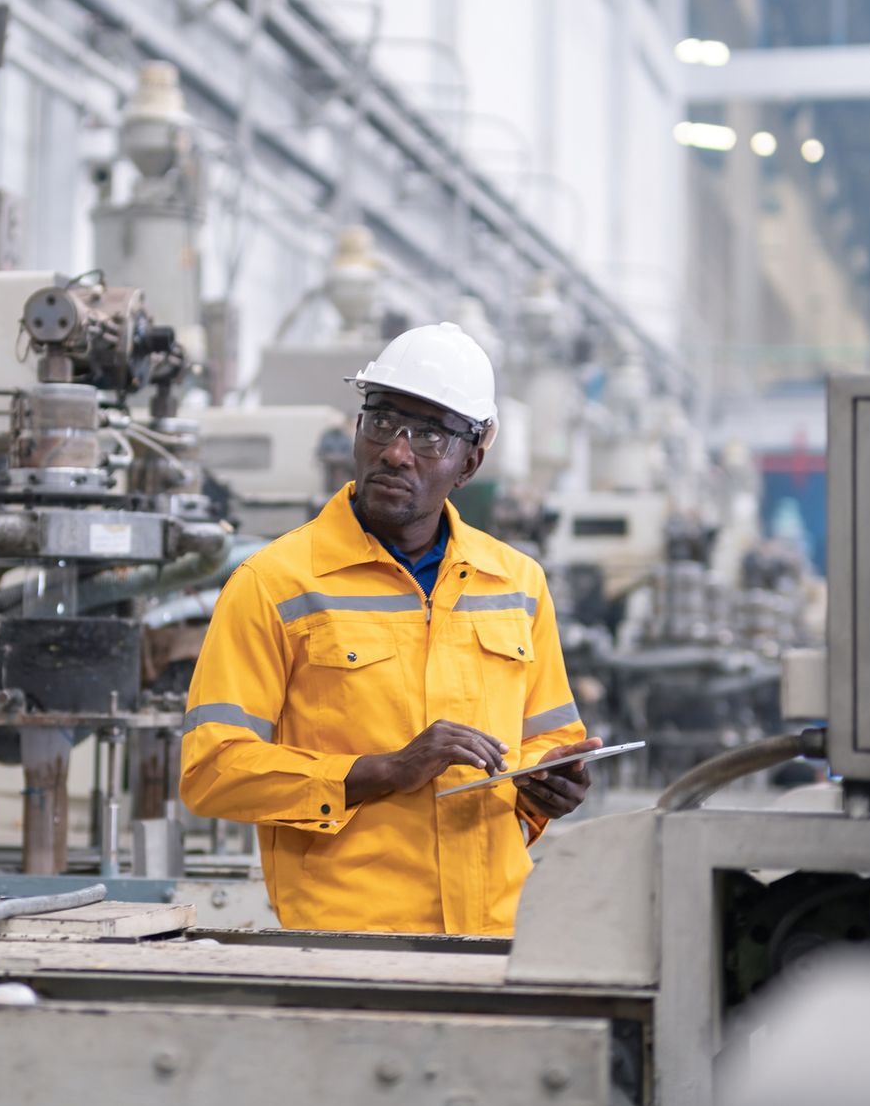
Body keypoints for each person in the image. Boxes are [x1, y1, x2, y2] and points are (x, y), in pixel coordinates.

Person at [179, 323, 601, 934]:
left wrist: (549, 786)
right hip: (347, 950)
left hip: (497, 939)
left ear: (470, 462)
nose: (396, 452)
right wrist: (379, 772)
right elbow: (212, 772)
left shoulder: (517, 586)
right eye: (381, 422)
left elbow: (549, 739)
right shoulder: (274, 584)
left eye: (429, 435)